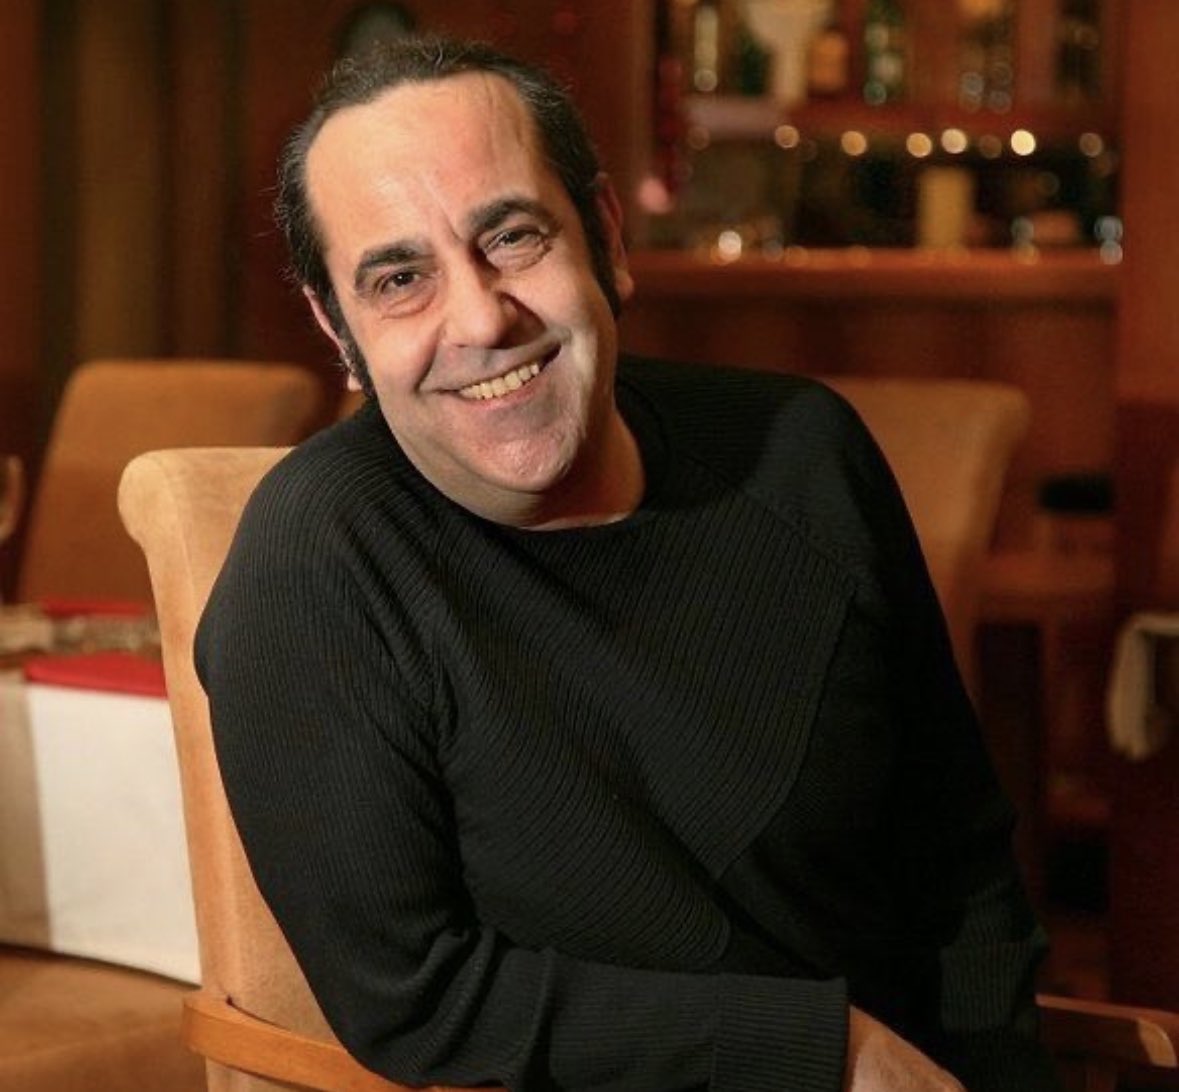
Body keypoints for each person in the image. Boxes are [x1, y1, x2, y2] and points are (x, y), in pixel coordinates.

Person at [196, 35, 1059, 1092]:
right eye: (400, 278)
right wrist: (826, 1052)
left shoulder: (802, 448)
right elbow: (412, 995)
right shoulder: (320, 561)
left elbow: (958, 858)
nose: (481, 317)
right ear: (337, 328)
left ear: (604, 234)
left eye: (511, 237)